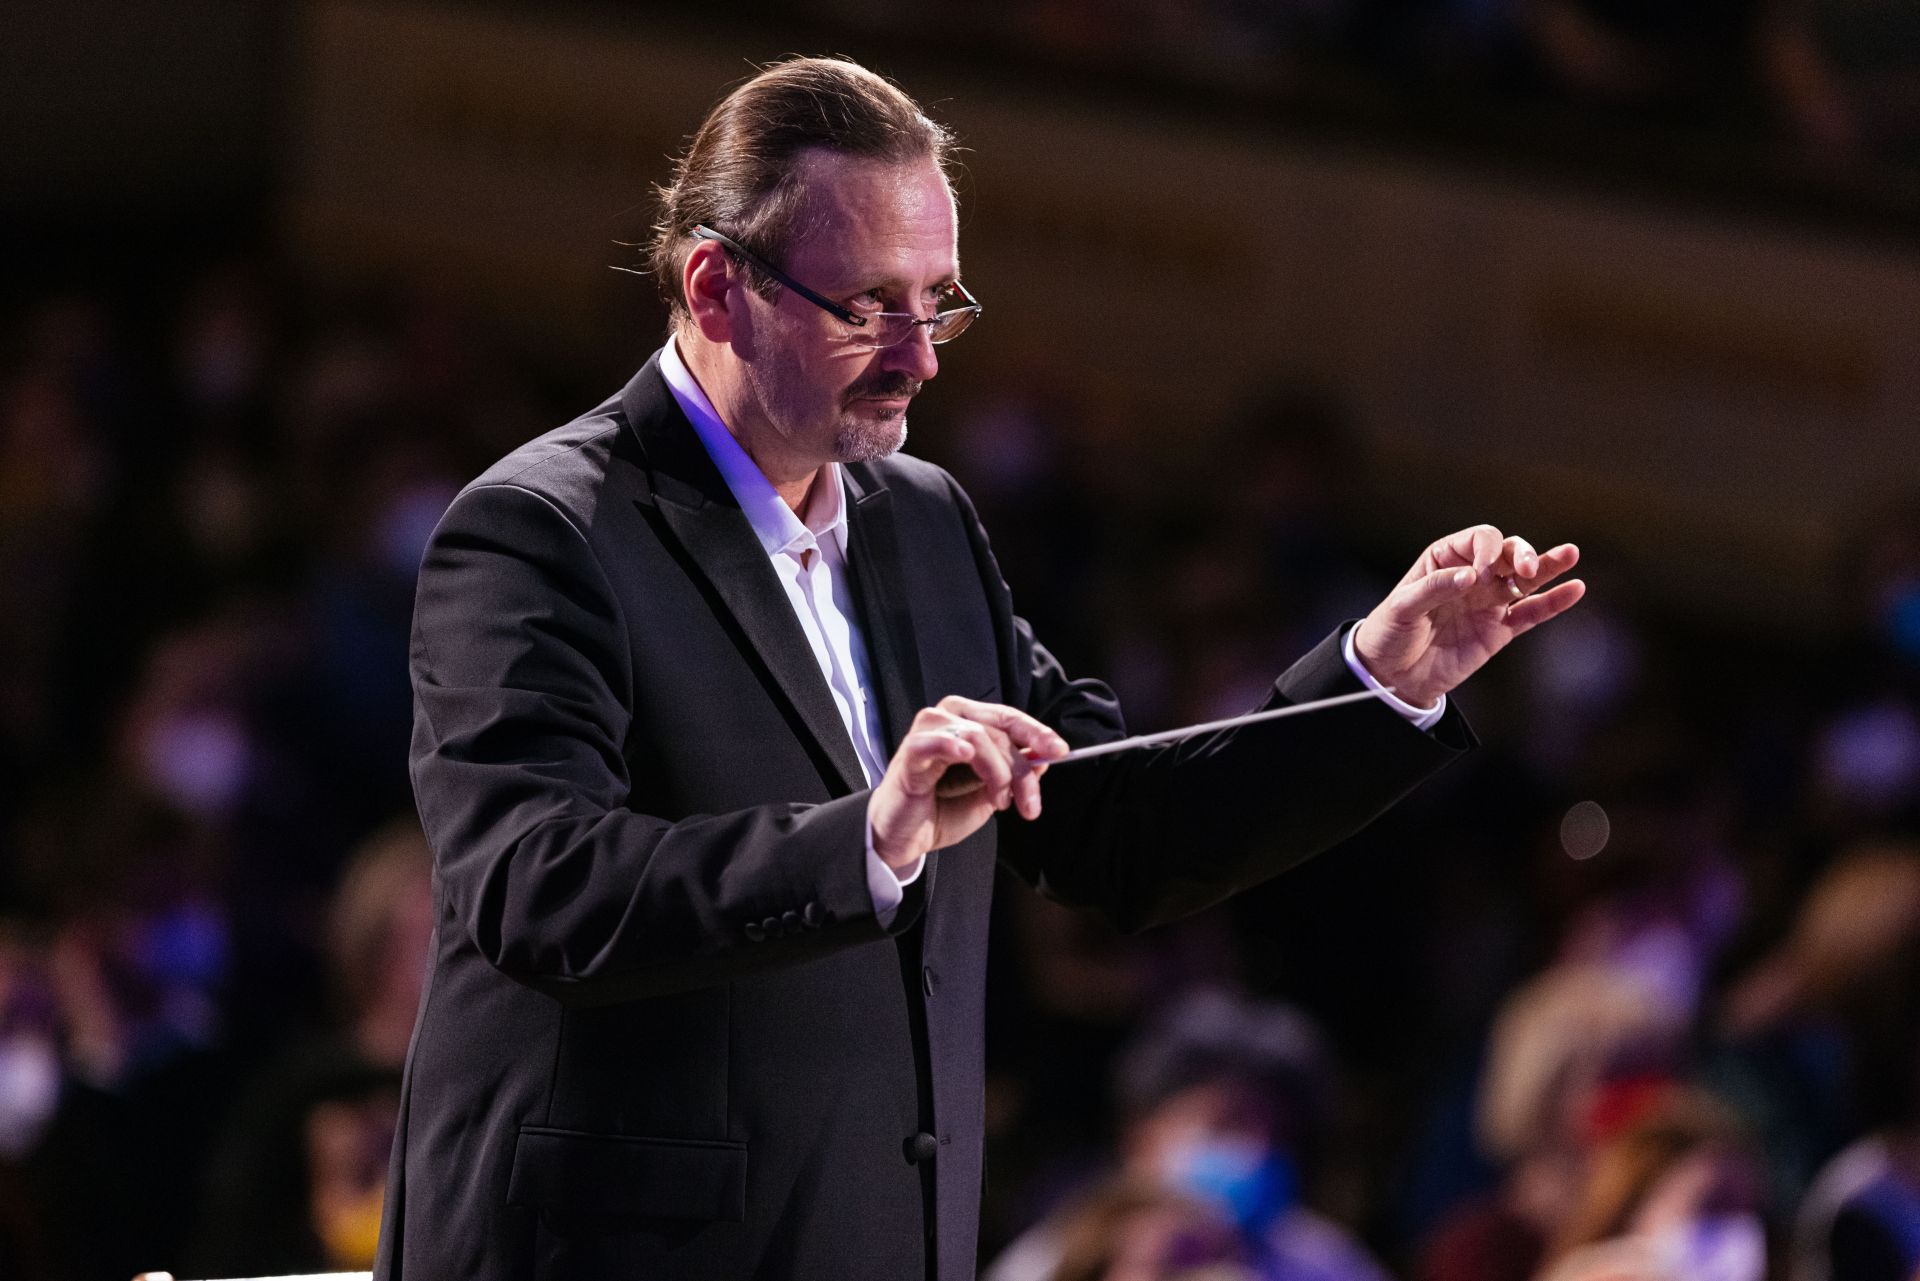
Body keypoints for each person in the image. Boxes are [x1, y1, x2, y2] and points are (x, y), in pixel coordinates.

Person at [376, 55, 1584, 1281]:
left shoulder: (922, 521)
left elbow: (1116, 827)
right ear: (716, 287)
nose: (922, 359)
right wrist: (868, 837)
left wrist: (1380, 680)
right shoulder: (543, 529)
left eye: (938, 303)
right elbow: (538, 888)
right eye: (869, 307)